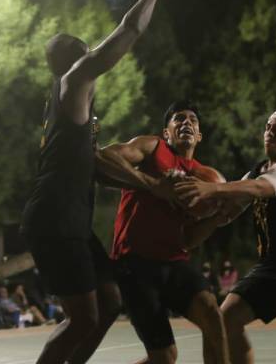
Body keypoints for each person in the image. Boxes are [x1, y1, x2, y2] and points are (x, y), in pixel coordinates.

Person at [20, 0, 171, 364]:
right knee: (83, 317)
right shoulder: (72, 82)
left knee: (109, 303)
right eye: (89, 56)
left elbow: (99, 170)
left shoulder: (70, 117)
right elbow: (129, 30)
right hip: (55, 219)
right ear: (79, 61)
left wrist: (151, 186)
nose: (96, 67)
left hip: (70, 220)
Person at [175, 109, 276, 364]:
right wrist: (205, 219)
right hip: (272, 264)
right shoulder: (257, 171)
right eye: (268, 126)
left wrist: (212, 188)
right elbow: (231, 209)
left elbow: (261, 187)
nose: (270, 132)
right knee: (225, 319)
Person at [96, 101, 228, 363]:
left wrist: (217, 218)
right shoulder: (152, 147)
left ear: (199, 135)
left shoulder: (206, 178)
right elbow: (103, 157)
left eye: (192, 120)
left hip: (174, 263)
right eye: (178, 119)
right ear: (167, 132)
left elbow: (189, 240)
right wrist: (154, 185)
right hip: (134, 264)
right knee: (165, 357)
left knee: (213, 316)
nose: (186, 122)